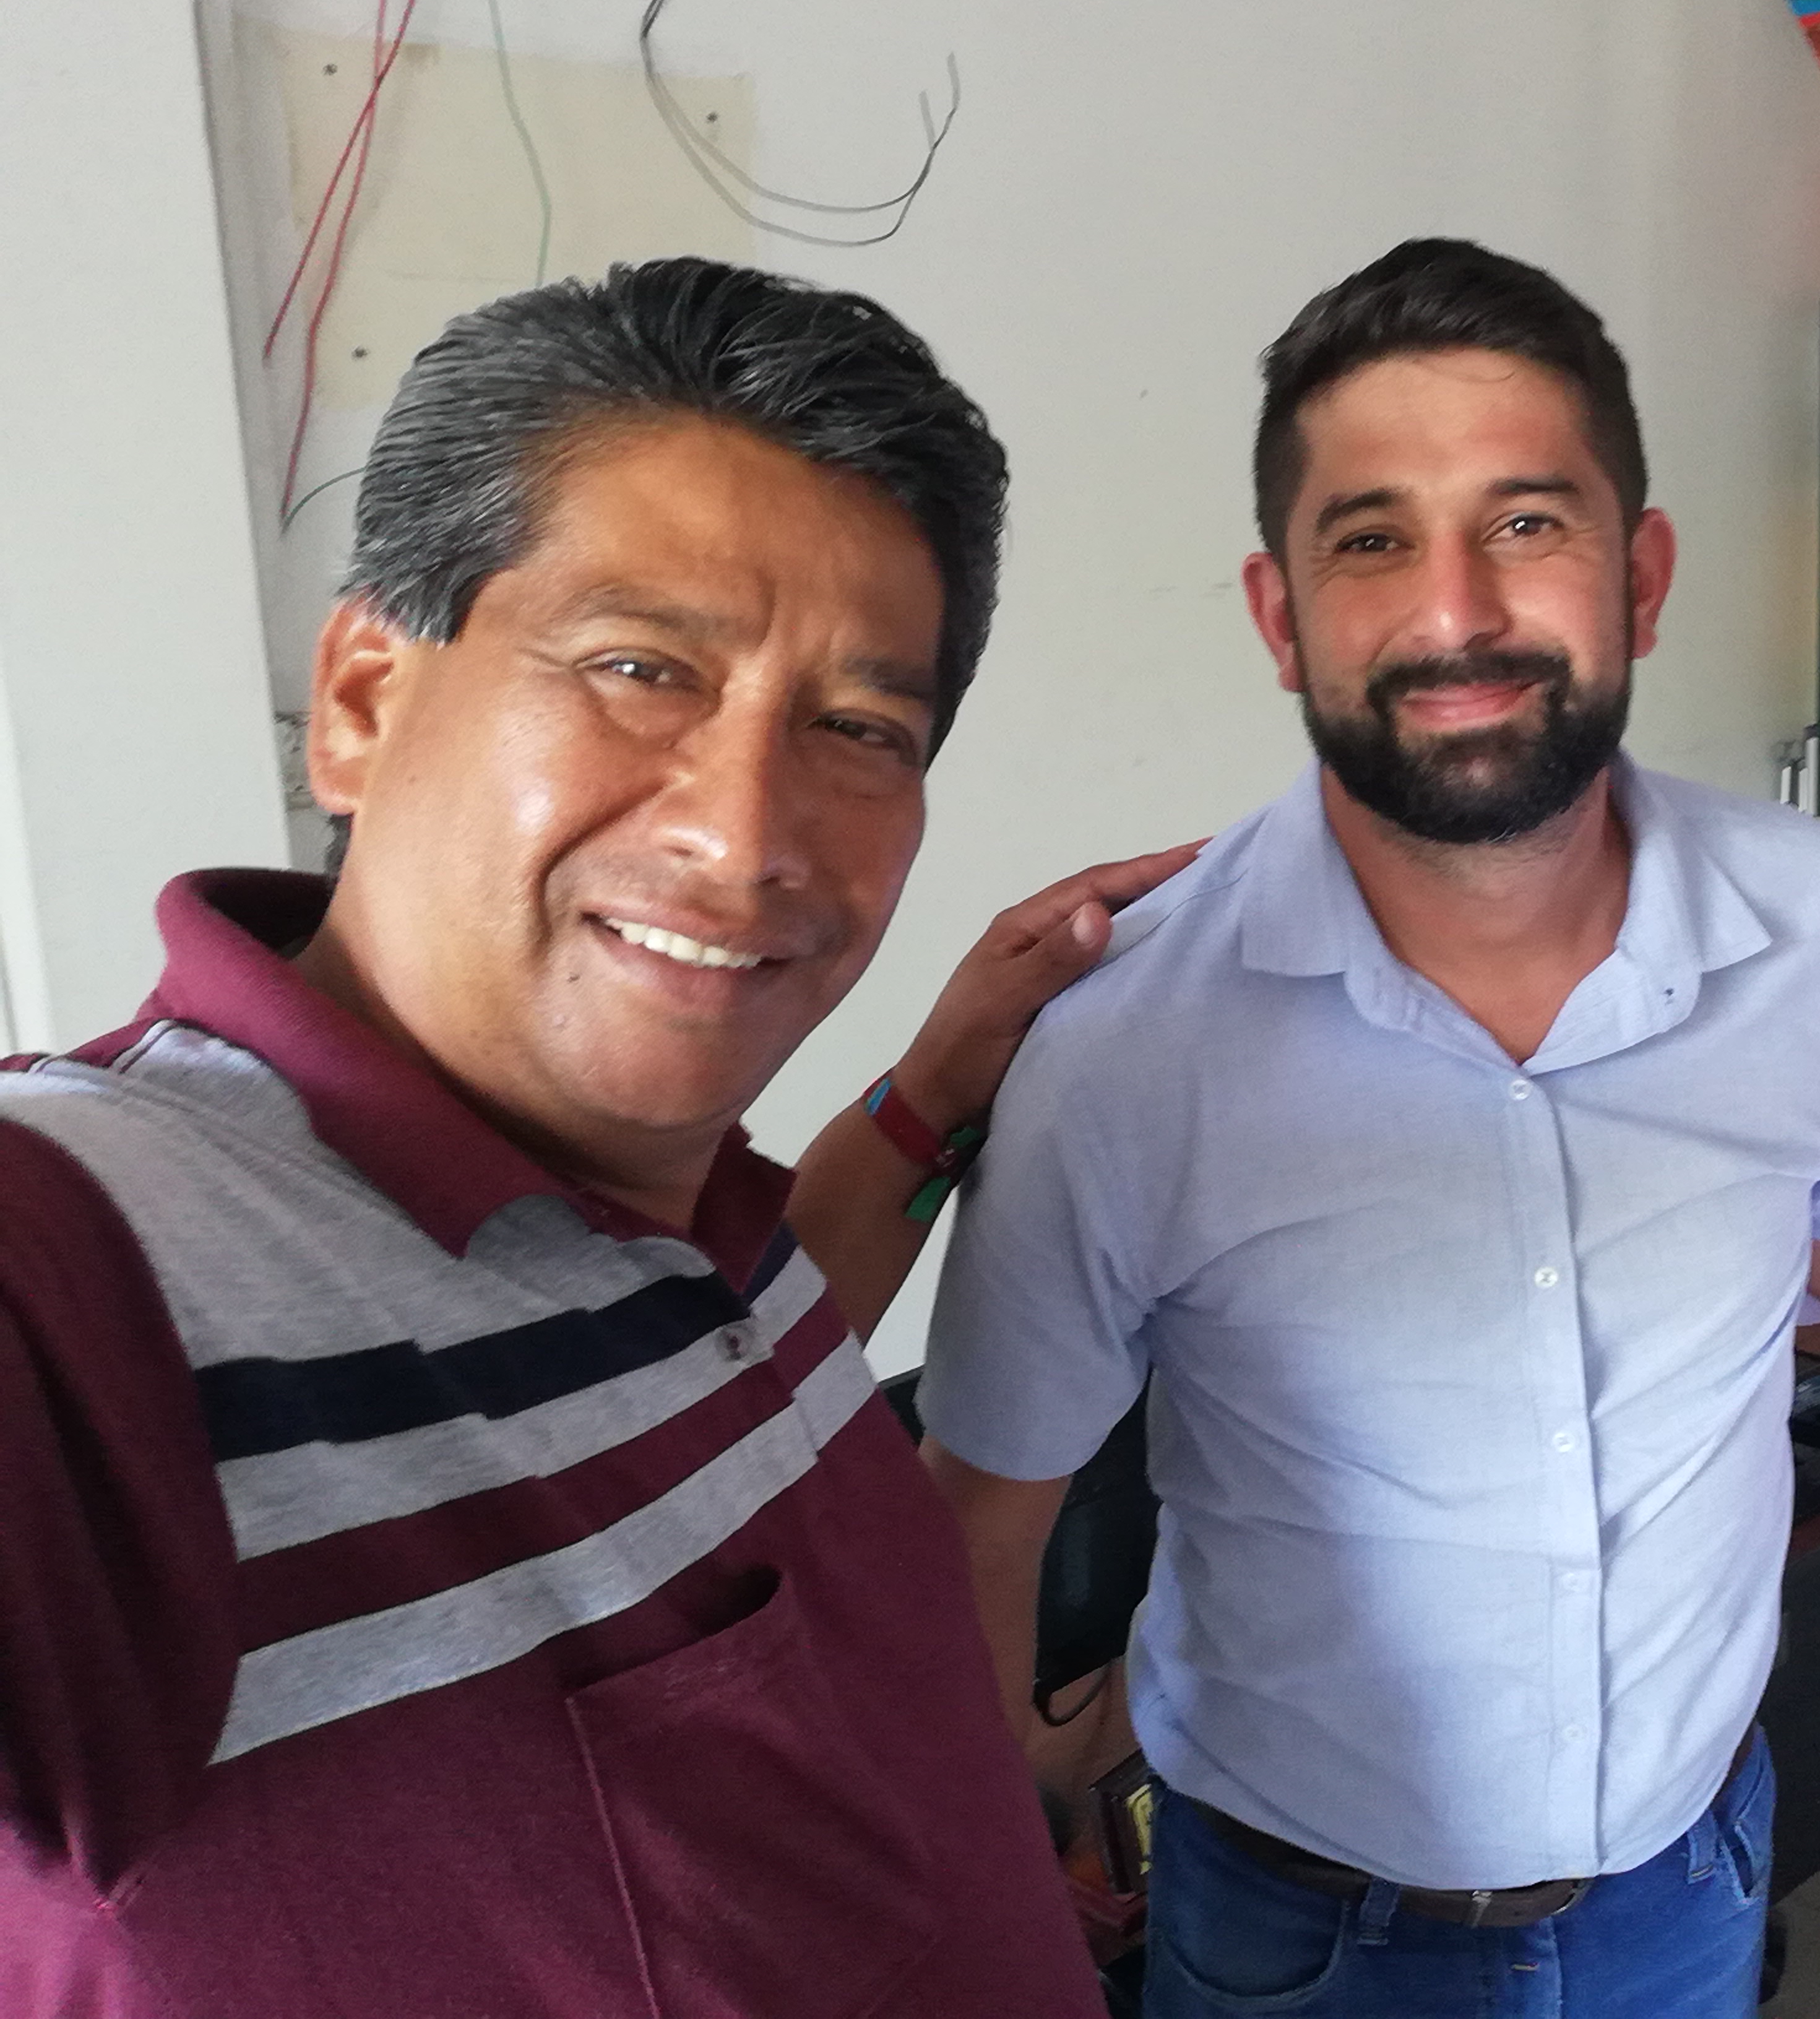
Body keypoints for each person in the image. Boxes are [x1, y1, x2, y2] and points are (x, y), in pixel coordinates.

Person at [0, 257, 1194, 2018]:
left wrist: (939, 1085)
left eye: (859, 727)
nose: (747, 833)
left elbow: (703, 1372)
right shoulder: (101, 1264)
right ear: (364, 700)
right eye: (641, 667)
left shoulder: (677, 1211)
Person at [916, 238, 1820, 2018]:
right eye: (1372, 539)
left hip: (1692, 1882)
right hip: (1304, 1937)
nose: (1458, 609)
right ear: (1282, 617)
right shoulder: (1125, 1047)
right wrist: (1006, 1848)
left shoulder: (1806, 913)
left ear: (1641, 574)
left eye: (1528, 521)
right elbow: (984, 1524)